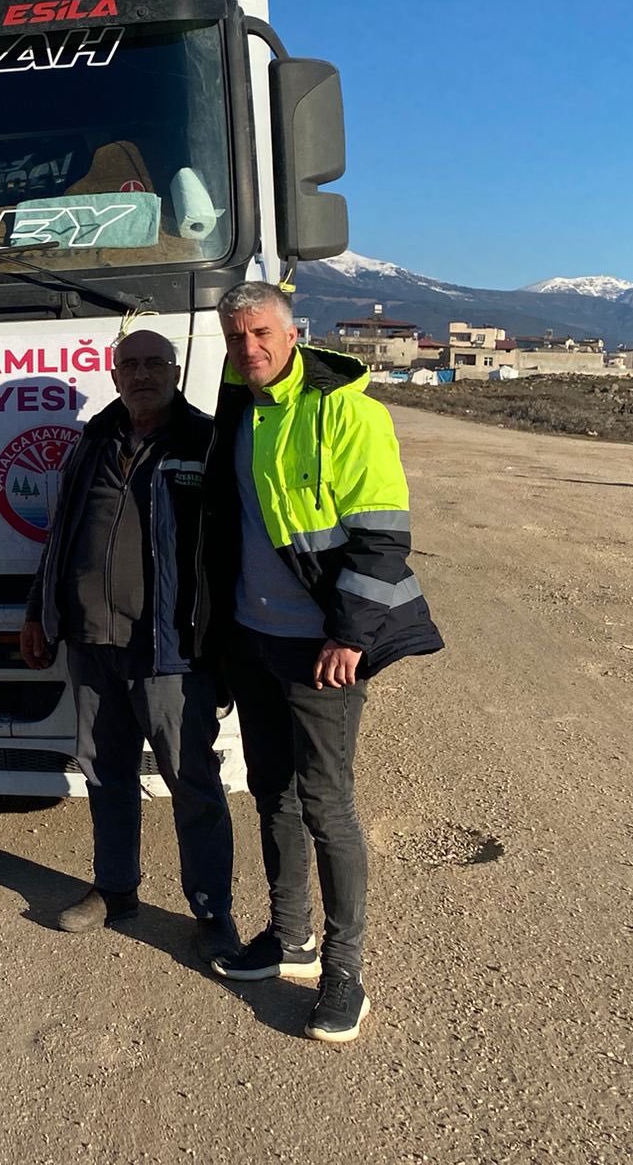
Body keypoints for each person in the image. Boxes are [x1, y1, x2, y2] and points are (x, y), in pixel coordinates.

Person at [204, 282, 443, 1042]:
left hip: (321, 647)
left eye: (262, 334)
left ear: (293, 330)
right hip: (251, 638)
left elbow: (382, 535)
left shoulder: (348, 411)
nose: (251, 349)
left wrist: (348, 634)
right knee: (271, 791)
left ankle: (346, 972)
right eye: (237, 337)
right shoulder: (235, 412)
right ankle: (290, 936)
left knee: (326, 803)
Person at [21, 328, 237, 958]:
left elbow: (228, 552)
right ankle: (115, 890)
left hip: (169, 651)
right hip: (92, 644)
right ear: (114, 375)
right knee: (105, 774)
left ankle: (211, 909)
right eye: (130, 365)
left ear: (175, 371)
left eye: (154, 363)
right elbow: (61, 532)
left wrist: (224, 645)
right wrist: (39, 611)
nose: (142, 374)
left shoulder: (204, 441)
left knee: (191, 780)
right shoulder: (93, 439)